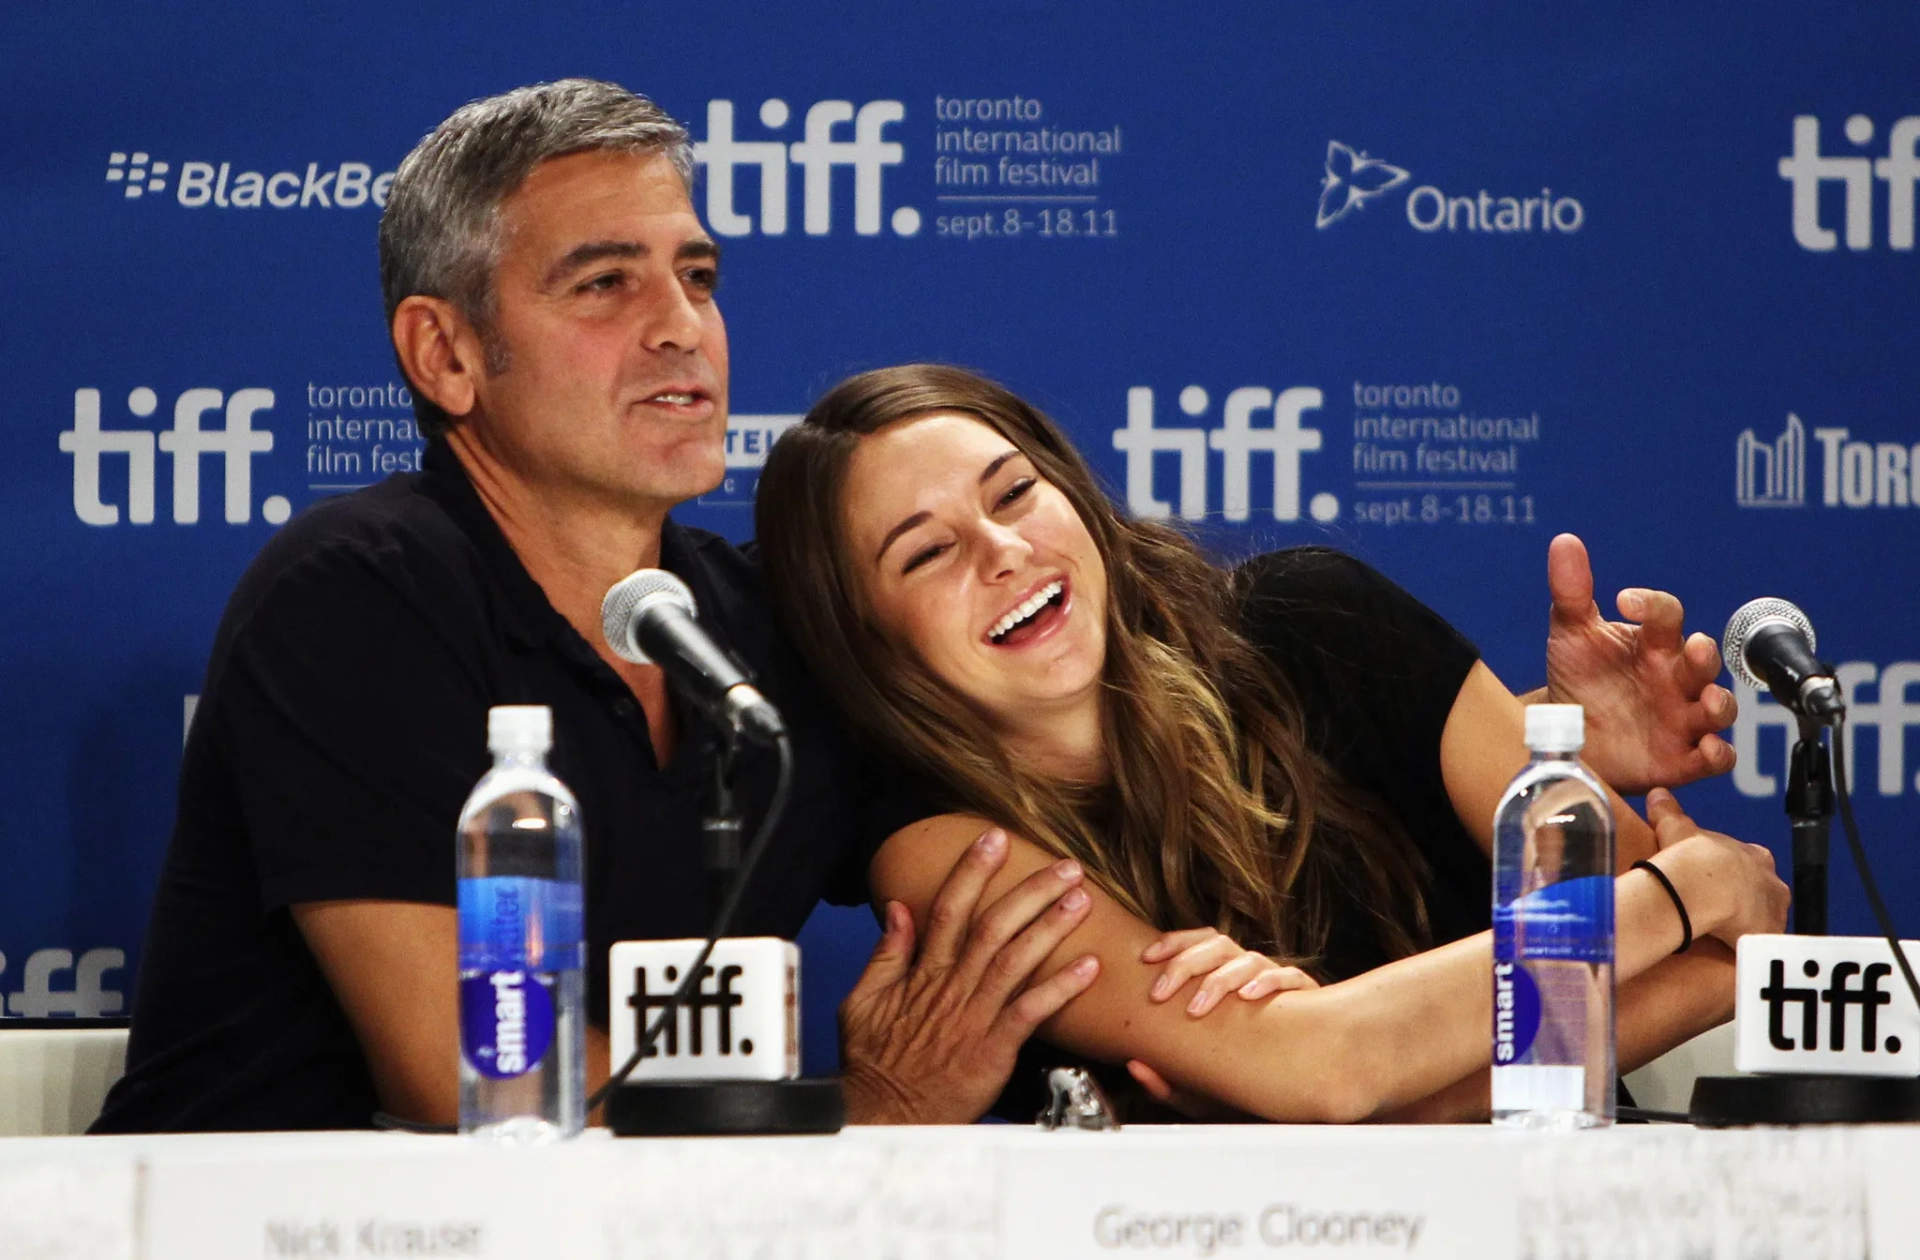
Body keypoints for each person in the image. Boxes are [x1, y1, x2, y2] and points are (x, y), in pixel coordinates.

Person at [93, 81, 1144, 1133]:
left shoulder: (761, 633)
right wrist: (868, 1116)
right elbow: (479, 1077)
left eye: (698, 277)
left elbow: (1003, 901)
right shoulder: (353, 594)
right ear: (445, 355)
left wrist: (1254, 1018)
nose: (682, 328)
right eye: (604, 284)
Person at [752, 363, 1791, 1122]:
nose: (1007, 551)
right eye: (928, 552)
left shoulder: (1322, 621)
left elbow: (1734, 957)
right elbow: (1325, 1071)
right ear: (866, 643)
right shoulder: (936, 840)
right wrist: (1678, 891)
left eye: (1016, 491)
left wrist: (1396, 1109)